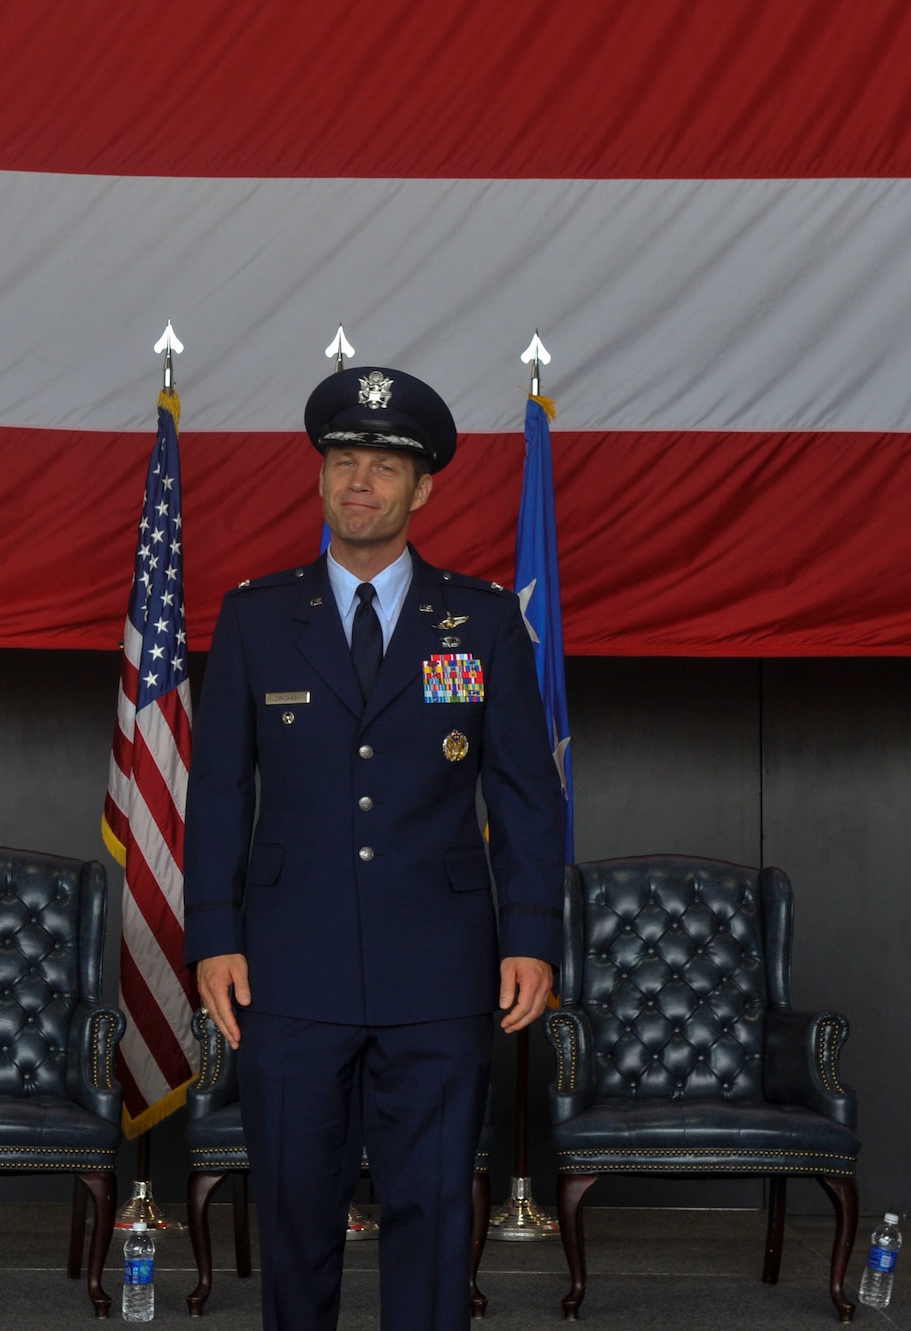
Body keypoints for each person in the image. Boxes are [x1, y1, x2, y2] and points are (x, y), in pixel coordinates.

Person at [185, 366, 565, 1331]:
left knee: (432, 1213)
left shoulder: (482, 620)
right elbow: (220, 790)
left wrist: (531, 935)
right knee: (295, 1213)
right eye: (344, 461)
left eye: (385, 466)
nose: (361, 481)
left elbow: (525, 791)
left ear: (422, 488)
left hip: (438, 966)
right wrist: (214, 935)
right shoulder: (256, 616)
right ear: (319, 477)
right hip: (289, 963)